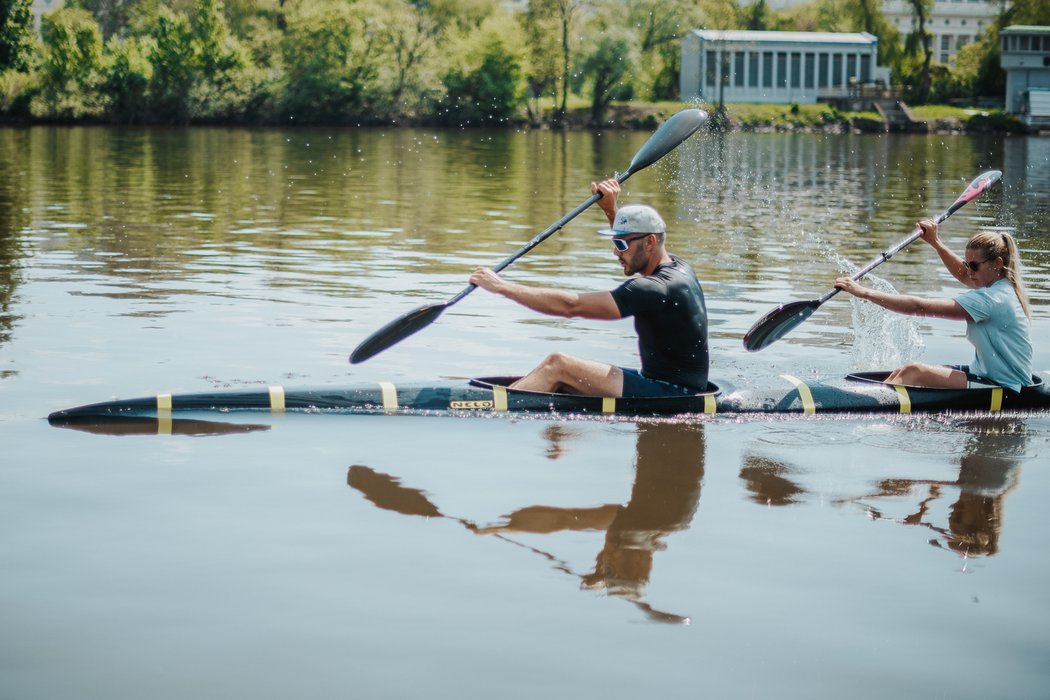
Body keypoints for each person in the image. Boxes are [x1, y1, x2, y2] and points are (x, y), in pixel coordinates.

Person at [468, 179, 709, 397]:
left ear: (650, 242)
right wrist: (610, 209)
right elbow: (639, 245)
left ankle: (489, 406)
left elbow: (571, 306)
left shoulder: (652, 289)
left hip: (672, 392)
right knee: (565, 379)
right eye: (615, 242)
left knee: (558, 365)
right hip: (675, 384)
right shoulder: (679, 267)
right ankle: (558, 442)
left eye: (621, 244)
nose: (615, 252)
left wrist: (501, 287)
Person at [834, 220, 1033, 391]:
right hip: (988, 373)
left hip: (1006, 386)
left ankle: (867, 407)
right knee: (904, 370)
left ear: (997, 263)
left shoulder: (991, 299)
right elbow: (963, 275)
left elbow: (920, 308)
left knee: (915, 372)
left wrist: (864, 292)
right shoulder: (1001, 284)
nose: (968, 271)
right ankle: (868, 398)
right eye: (967, 264)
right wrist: (935, 242)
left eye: (974, 266)